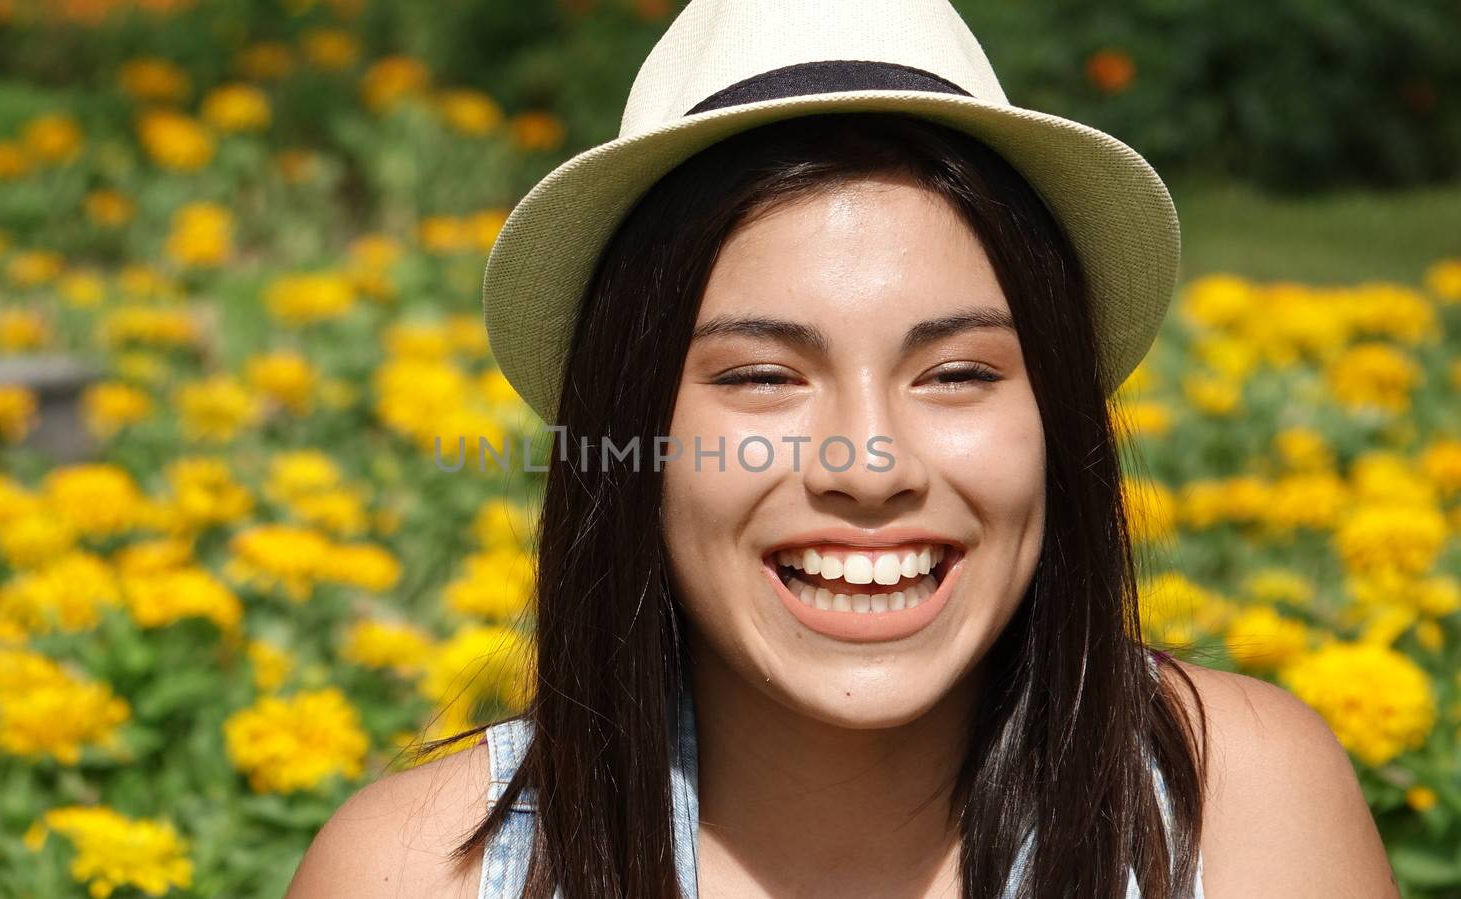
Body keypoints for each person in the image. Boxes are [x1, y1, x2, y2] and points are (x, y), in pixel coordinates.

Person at [285, 1, 1397, 897]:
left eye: (957, 372)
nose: (869, 466)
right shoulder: (416, 872)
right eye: (761, 376)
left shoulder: (1233, 809)